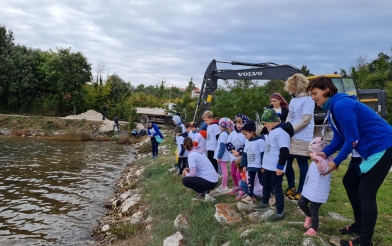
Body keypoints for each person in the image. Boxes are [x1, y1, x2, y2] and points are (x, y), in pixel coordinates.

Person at [306, 76, 392, 246]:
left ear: (327, 90)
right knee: (350, 182)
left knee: (366, 192)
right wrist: (325, 153)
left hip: (383, 146)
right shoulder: (332, 108)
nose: (313, 97)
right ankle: (359, 225)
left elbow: (351, 140)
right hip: (371, 148)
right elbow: (340, 137)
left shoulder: (342, 105)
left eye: (315, 93)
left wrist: (335, 162)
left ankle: (364, 241)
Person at [256, 108, 294, 221]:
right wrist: (263, 165)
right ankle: (265, 202)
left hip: (276, 167)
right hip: (268, 165)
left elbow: (284, 151)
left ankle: (280, 212)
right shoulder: (271, 131)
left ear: (273, 121)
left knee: (277, 188)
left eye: (266, 123)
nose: (265, 125)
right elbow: (268, 150)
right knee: (265, 183)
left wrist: (280, 167)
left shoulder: (281, 133)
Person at [284, 74, 315, 200]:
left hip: (303, 136)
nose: (290, 89)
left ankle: (302, 190)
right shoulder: (293, 99)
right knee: (287, 162)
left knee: (302, 164)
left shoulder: (308, 99)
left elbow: (306, 119)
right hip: (290, 135)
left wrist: (291, 129)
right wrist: (285, 127)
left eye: (292, 87)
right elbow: (290, 116)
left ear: (298, 86)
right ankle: (291, 187)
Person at [299, 137, 333, 236]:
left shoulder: (325, 162)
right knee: (301, 203)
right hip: (310, 189)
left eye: (312, 152)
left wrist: (317, 158)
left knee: (314, 209)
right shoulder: (316, 161)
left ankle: (314, 228)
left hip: (318, 192)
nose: (311, 154)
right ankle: (308, 216)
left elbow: (323, 169)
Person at [239, 120, 266, 204]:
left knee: (263, 181)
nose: (245, 136)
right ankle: (250, 196)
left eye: (246, 134)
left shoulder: (261, 141)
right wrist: (244, 165)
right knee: (250, 182)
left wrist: (263, 166)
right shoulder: (247, 142)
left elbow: (263, 154)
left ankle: (269, 195)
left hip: (258, 166)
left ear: (252, 132)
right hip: (250, 166)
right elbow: (245, 154)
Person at [226, 114, 248, 195]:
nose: (238, 125)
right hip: (233, 156)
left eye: (240, 123)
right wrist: (232, 150)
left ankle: (242, 189)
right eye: (237, 123)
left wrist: (239, 152)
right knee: (232, 173)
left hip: (241, 157)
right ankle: (236, 186)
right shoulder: (232, 133)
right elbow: (228, 143)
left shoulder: (245, 133)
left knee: (239, 174)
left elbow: (246, 144)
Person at [214, 117, 234, 193]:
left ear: (222, 126)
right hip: (224, 156)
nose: (218, 126)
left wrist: (219, 157)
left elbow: (222, 147)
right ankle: (223, 184)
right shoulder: (227, 133)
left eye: (219, 125)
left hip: (222, 156)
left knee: (224, 171)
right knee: (224, 170)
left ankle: (224, 186)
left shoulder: (223, 135)